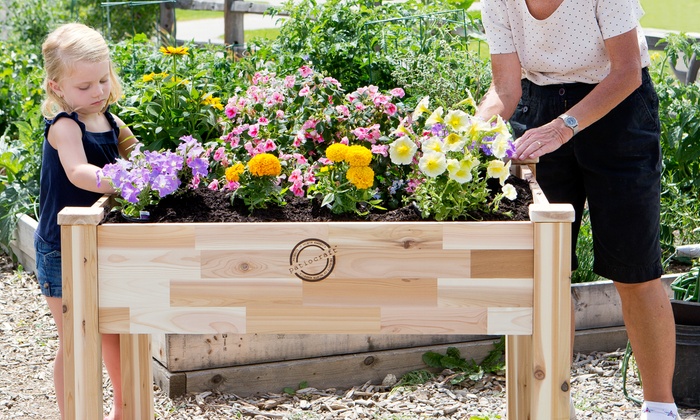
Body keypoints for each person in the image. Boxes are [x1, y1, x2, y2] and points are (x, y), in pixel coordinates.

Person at [477, 1, 679, 419]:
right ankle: (553, 404)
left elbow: (627, 71)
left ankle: (661, 408)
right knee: (546, 274)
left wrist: (564, 127)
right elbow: (506, 87)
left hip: (618, 111)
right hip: (538, 117)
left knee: (635, 271)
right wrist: (470, 132)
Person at [34, 23, 138, 420]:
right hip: (63, 247)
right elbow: (79, 172)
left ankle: (123, 410)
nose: (97, 92)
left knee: (113, 332)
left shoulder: (112, 122)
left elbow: (139, 156)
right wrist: (128, 181)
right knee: (76, 338)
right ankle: (74, 413)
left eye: (103, 80)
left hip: (100, 243)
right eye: (84, 86)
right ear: (57, 87)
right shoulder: (65, 127)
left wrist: (157, 171)